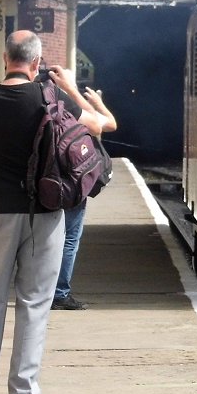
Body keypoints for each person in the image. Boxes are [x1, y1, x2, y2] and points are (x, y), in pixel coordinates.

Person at [0, 31, 114, 394]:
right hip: (44, 212)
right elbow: (100, 125)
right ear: (38, 63)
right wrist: (71, 89)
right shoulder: (50, 98)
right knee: (35, 303)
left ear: (5, 57)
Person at [52, 82, 117, 312]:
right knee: (70, 237)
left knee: (40, 237)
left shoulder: (35, 102)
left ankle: (39, 289)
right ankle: (59, 294)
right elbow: (106, 124)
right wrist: (73, 90)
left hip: (44, 179)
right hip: (72, 182)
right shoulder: (70, 105)